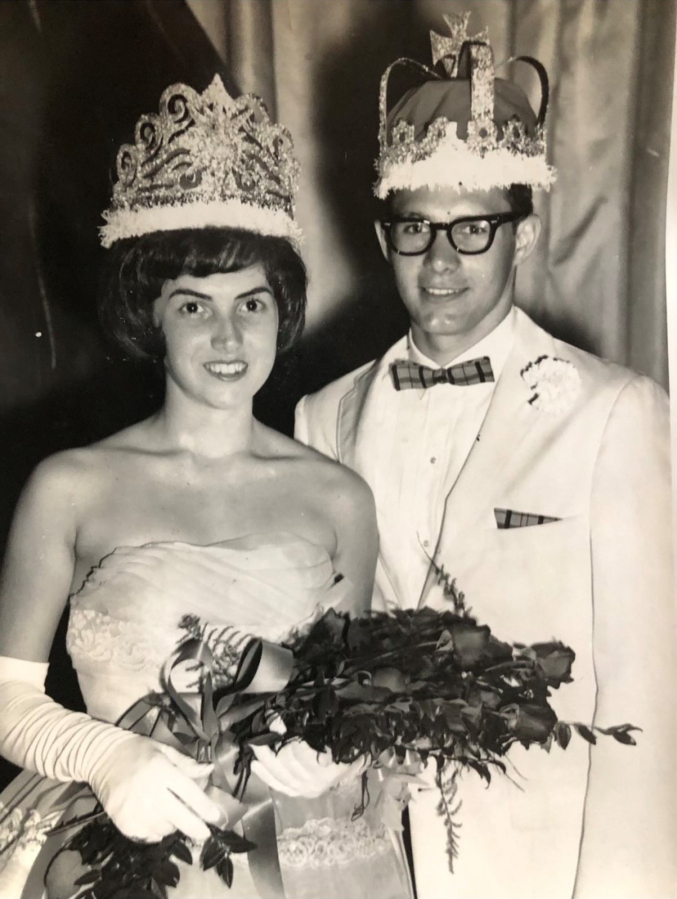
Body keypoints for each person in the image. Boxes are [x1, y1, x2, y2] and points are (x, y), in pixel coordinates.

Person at [0, 76, 413, 899]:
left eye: (251, 302)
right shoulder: (71, 485)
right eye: (194, 306)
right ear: (150, 316)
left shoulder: (339, 498)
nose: (228, 336)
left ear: (281, 309)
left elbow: (347, 690)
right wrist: (108, 756)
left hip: (310, 858)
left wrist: (335, 742)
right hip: (119, 841)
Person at [295, 12, 676, 899]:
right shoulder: (320, 415)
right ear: (382, 233)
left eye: (473, 229)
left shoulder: (615, 412)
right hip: (364, 854)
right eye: (415, 229)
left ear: (524, 234)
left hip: (540, 863)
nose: (438, 261)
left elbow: (648, 699)